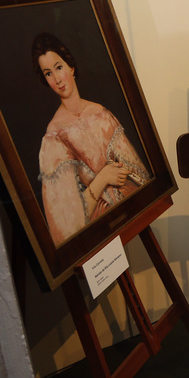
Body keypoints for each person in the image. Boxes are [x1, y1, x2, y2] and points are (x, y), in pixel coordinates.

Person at [33, 33, 151, 245]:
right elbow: (67, 222)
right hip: (97, 230)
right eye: (48, 74)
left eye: (59, 68)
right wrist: (102, 179)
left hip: (130, 209)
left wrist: (117, 176)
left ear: (71, 67)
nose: (57, 79)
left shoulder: (100, 113)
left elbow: (136, 171)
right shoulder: (53, 136)